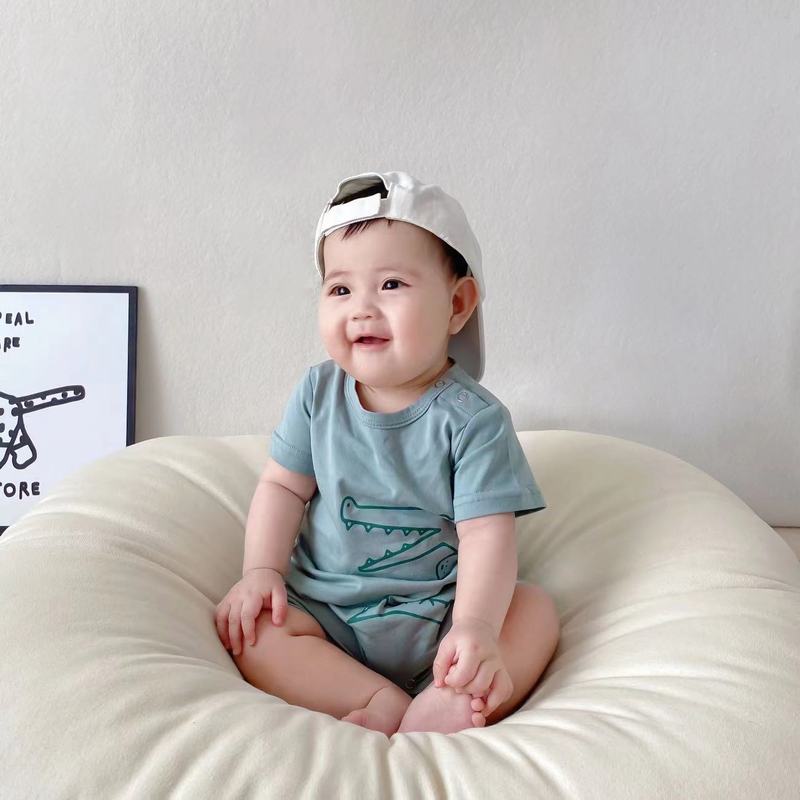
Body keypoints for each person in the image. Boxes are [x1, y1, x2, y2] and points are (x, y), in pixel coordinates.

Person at [215, 171, 560, 737]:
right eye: (340, 290)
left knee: (536, 613)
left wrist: (475, 628)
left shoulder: (474, 421)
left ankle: (447, 695)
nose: (362, 309)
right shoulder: (317, 394)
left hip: (442, 620)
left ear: (457, 304)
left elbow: (486, 535)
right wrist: (261, 572)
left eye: (392, 284)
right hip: (328, 618)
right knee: (253, 632)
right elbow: (281, 487)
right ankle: (376, 698)